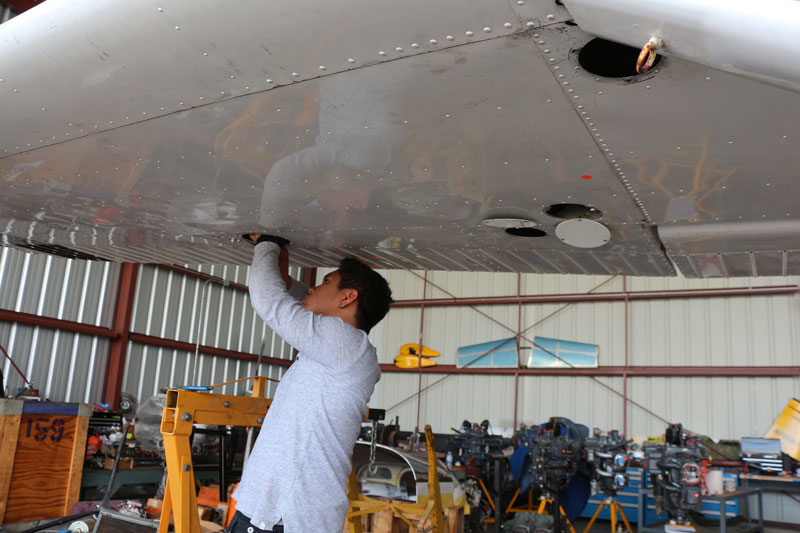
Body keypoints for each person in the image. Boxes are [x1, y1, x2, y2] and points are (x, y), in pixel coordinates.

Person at [227, 234, 393, 533]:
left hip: (281, 520)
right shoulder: (347, 350)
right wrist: (281, 273)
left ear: (347, 297)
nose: (314, 287)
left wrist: (266, 243)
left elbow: (268, 301)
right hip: (280, 517)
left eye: (327, 282)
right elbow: (295, 294)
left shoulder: (344, 342)